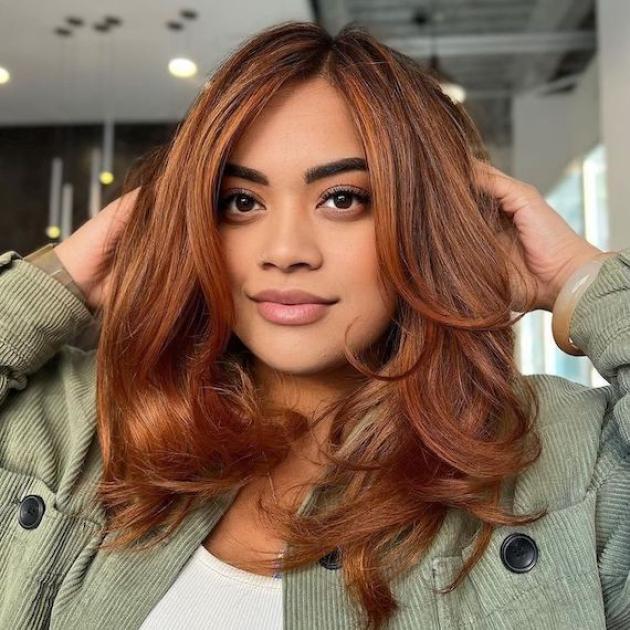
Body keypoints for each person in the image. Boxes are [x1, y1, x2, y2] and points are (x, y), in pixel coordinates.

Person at [0, 20, 628, 630]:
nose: (285, 250)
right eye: (241, 202)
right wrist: (52, 283)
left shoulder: (564, 455)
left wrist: (582, 280)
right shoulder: (84, 425)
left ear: (421, 220)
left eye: (343, 198)